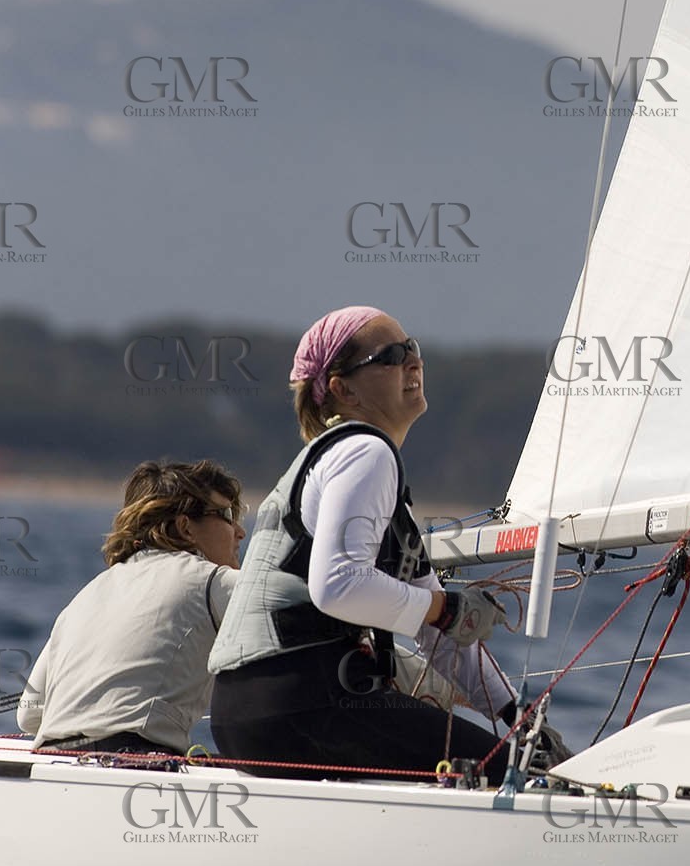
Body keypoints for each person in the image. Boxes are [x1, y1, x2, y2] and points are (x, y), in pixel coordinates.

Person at [207, 305, 562, 782]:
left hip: (249, 716)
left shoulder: (346, 460)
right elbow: (337, 586)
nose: (413, 363)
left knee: (509, 756)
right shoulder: (366, 452)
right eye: (392, 355)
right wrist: (442, 608)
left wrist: (517, 717)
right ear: (343, 388)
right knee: (515, 776)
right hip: (304, 706)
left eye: (413, 348)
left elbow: (440, 636)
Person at [17, 460, 246, 754]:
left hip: (52, 759)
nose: (239, 531)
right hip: (132, 761)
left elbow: (28, 714)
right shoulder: (216, 581)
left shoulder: (87, 594)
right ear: (185, 527)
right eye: (226, 515)